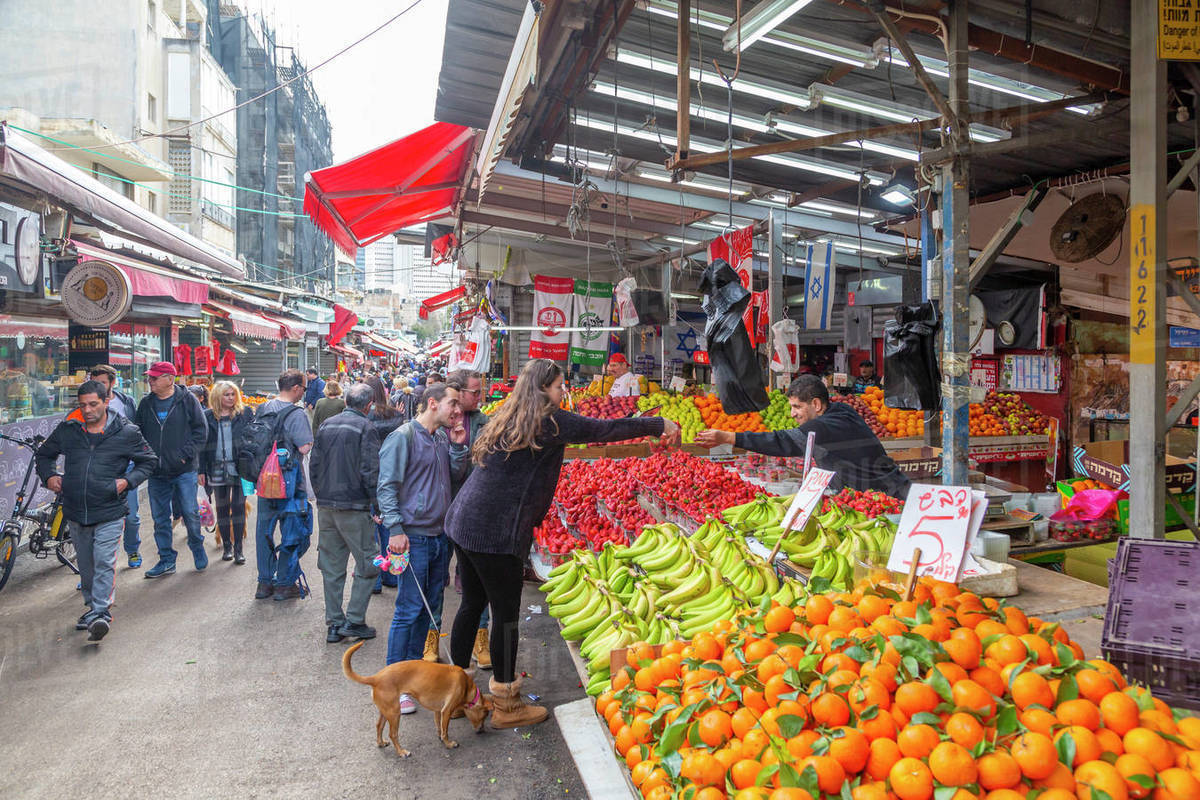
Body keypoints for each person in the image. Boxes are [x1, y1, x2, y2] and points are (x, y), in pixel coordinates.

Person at [445, 359, 679, 727]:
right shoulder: (549, 420)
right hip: (494, 531)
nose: (562, 392)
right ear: (543, 390)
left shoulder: (510, 413)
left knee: (472, 603)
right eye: (558, 386)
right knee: (505, 615)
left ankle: (454, 695)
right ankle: (506, 703)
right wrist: (659, 423)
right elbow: (606, 430)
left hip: (464, 521)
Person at [35, 380, 157, 641]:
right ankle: (92, 607)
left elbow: (149, 461)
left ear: (106, 402)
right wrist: (49, 477)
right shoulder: (68, 429)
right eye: (82, 405)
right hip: (76, 510)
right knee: (87, 566)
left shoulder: (127, 431)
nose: (87, 410)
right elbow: (44, 455)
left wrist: (127, 481)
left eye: (93, 404)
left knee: (103, 560)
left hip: (110, 509)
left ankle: (101, 612)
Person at [378, 382, 469, 715]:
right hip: (412, 538)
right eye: (453, 404)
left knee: (430, 608)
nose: (458, 411)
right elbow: (386, 486)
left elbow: (454, 476)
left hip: (438, 536)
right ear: (433, 404)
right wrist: (395, 529)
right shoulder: (402, 437)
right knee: (408, 609)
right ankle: (392, 683)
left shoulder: (443, 438)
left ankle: (412, 679)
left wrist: (459, 448)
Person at [694, 374, 911, 498]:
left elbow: (783, 442)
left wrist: (729, 437)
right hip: (868, 493)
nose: (792, 414)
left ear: (816, 404)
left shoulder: (827, 425)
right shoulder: (840, 412)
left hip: (887, 496)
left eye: (797, 407)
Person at [311, 382, 382, 644]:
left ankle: (334, 623)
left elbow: (314, 465)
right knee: (368, 563)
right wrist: (378, 504)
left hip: (327, 506)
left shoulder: (327, 424)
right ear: (368, 405)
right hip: (354, 506)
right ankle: (354, 620)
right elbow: (370, 470)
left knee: (331, 566)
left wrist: (321, 495)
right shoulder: (366, 427)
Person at [134, 361, 209, 578]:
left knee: (190, 512)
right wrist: (145, 457)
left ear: (170, 378)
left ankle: (197, 544)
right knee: (160, 518)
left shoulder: (187, 401)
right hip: (156, 472)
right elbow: (137, 433)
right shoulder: (146, 404)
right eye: (149, 377)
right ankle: (166, 559)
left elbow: (200, 432)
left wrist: (184, 456)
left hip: (184, 470)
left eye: (155, 378)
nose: (150, 381)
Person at [254, 369, 315, 601]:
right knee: (292, 532)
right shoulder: (297, 414)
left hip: (265, 480)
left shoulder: (263, 408)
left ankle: (264, 583)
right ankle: (284, 584)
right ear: (297, 388)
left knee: (264, 531)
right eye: (304, 388)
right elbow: (304, 448)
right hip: (289, 482)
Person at [445, 368, 493, 669]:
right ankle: (431, 635)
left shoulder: (483, 422)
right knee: (436, 578)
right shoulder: (439, 422)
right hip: (441, 510)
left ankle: (481, 638)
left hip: (474, 513)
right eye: (475, 392)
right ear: (458, 392)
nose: (480, 396)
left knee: (478, 583)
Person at [87, 364, 143, 568]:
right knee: (93, 520)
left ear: (113, 382)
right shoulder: (87, 405)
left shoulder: (126, 402)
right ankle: (92, 567)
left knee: (131, 515)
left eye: (102, 382)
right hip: (97, 471)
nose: (97, 387)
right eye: (94, 382)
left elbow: (137, 431)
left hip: (125, 469)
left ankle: (133, 550)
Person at [200, 381, 254, 564]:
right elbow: (201, 445)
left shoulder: (244, 413)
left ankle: (239, 549)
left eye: (233, 394)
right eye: (226, 394)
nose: (230, 398)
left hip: (241, 468)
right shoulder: (207, 416)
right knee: (222, 509)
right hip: (215, 468)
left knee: (239, 507)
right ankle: (227, 547)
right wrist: (200, 470)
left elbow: (252, 438)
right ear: (218, 396)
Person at [365, 376, 406, 594]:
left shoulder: (364, 416)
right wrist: (399, 416)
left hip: (371, 475)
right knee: (388, 527)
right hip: (389, 475)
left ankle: (375, 580)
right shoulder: (393, 414)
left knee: (371, 534)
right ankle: (390, 575)